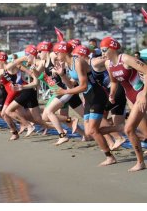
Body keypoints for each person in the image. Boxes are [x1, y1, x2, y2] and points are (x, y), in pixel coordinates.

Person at [53, 41, 116, 166]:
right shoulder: (68, 64)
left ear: (63, 51)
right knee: (88, 132)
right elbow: (71, 85)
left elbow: (83, 86)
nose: (55, 55)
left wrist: (66, 91)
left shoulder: (78, 62)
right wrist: (62, 75)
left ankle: (110, 157)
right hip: (88, 98)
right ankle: (120, 128)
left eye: (56, 52)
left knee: (93, 131)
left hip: (97, 95)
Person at [101, 37, 147, 172]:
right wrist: (112, 94)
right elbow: (114, 81)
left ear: (112, 48)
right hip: (130, 97)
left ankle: (140, 162)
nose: (102, 53)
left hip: (140, 93)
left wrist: (144, 94)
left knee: (128, 129)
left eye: (104, 50)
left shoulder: (125, 58)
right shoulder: (108, 64)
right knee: (142, 130)